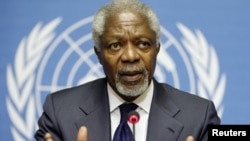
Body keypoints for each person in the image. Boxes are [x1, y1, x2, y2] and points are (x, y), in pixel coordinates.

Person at [35, 0, 221, 141]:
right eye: (115, 45)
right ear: (98, 54)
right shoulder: (59, 112)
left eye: (143, 44)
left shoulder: (199, 117)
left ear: (157, 49)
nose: (130, 56)